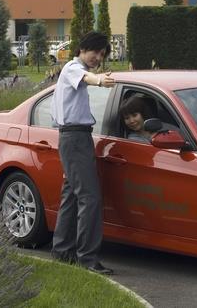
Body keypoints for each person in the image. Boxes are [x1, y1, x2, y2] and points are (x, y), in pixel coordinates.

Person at [50, 31, 115, 275]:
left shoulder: (74, 69)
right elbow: (87, 77)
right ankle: (87, 258)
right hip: (75, 138)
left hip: (76, 138)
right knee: (90, 197)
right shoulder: (72, 67)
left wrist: (97, 79)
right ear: (82, 48)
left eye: (101, 54)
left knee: (72, 196)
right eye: (94, 52)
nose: (97, 57)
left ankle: (62, 251)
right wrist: (99, 81)